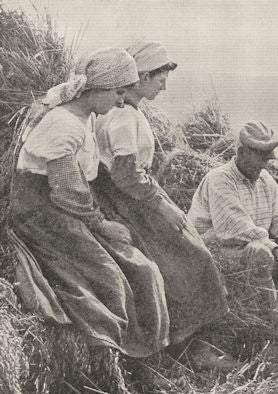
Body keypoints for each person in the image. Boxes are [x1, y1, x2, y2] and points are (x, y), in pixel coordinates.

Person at [8, 47, 171, 360]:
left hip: (67, 210)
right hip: (41, 215)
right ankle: (110, 366)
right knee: (110, 278)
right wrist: (102, 225)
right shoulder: (63, 124)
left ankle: (145, 361)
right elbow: (66, 190)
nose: (122, 101)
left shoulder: (84, 118)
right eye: (119, 93)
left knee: (144, 268)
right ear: (98, 89)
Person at [91, 41, 233, 370]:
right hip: (130, 202)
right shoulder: (124, 117)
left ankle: (185, 342)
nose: (165, 84)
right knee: (189, 258)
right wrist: (163, 206)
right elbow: (126, 175)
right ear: (139, 77)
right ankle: (184, 345)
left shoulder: (122, 111)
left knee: (187, 254)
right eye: (159, 77)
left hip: (127, 197)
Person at [186, 121, 278, 333]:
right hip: (213, 251)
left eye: (268, 159)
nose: (265, 165)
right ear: (242, 152)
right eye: (261, 158)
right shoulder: (220, 179)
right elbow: (236, 229)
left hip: (252, 244)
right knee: (260, 254)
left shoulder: (264, 179)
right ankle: (272, 332)